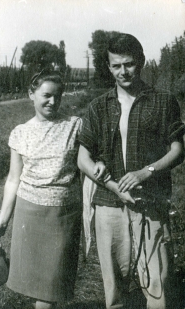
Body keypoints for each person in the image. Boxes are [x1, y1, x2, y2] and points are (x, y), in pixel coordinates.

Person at [77, 33, 185, 309]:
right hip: (108, 206)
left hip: (151, 203)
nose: (123, 72)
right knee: (114, 289)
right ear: (108, 66)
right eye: (116, 66)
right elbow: (83, 158)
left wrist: (146, 172)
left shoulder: (163, 101)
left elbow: (177, 150)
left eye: (129, 64)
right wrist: (113, 186)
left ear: (141, 62)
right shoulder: (98, 106)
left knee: (157, 286)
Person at [0, 69, 86, 309]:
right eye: (46, 95)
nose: (53, 102)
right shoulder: (20, 133)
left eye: (58, 96)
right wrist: (3, 220)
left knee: (50, 288)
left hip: (63, 216)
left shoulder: (75, 126)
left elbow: (87, 167)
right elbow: (13, 179)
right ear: (31, 94)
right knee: (37, 289)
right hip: (29, 214)